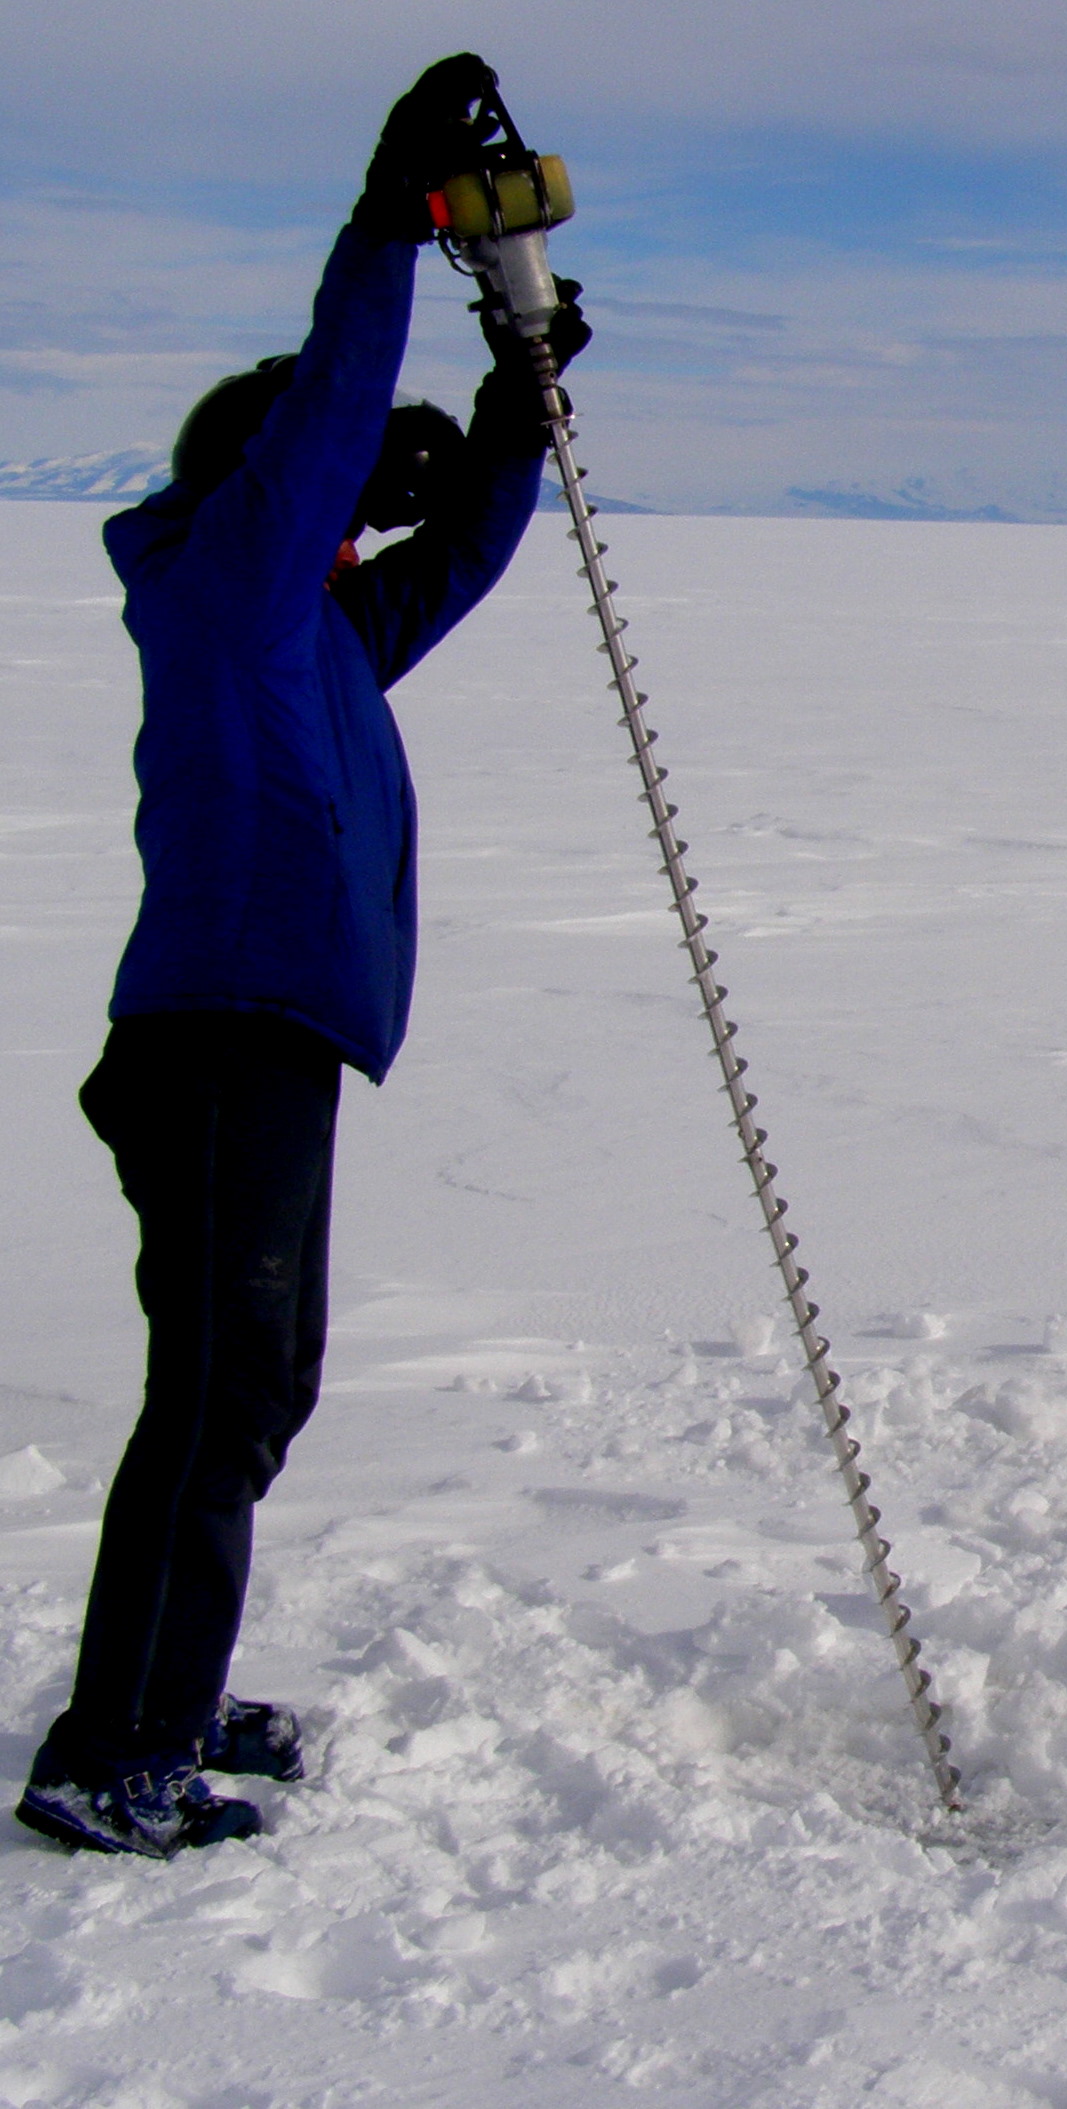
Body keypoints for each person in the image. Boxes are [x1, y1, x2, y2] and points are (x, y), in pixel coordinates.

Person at [14, 55, 592, 1858]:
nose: (361, 485)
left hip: (270, 1041)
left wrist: (514, 414)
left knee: (256, 1385)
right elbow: (327, 415)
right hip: (217, 1038)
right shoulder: (227, 590)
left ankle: (164, 1697)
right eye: (326, 476)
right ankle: (114, 1751)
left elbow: (462, 557)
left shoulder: (317, 630)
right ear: (263, 481)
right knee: (216, 1395)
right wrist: (387, 228)